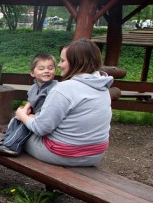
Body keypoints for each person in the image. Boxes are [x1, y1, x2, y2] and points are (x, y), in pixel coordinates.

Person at [14, 38, 113, 166]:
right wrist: (35, 117)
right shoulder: (102, 85)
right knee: (29, 122)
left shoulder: (63, 88)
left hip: (63, 154)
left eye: (62, 60)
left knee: (18, 128)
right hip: (95, 154)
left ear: (76, 62)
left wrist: (22, 115)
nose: (59, 65)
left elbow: (41, 129)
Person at [0, 53, 58, 157]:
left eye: (50, 68)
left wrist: (33, 116)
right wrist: (24, 110)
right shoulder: (33, 88)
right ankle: (6, 140)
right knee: (17, 119)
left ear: (55, 70)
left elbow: (52, 107)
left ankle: (13, 147)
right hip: (34, 115)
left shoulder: (54, 88)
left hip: (43, 118)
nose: (46, 71)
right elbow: (30, 102)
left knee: (25, 124)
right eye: (41, 68)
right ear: (32, 73)